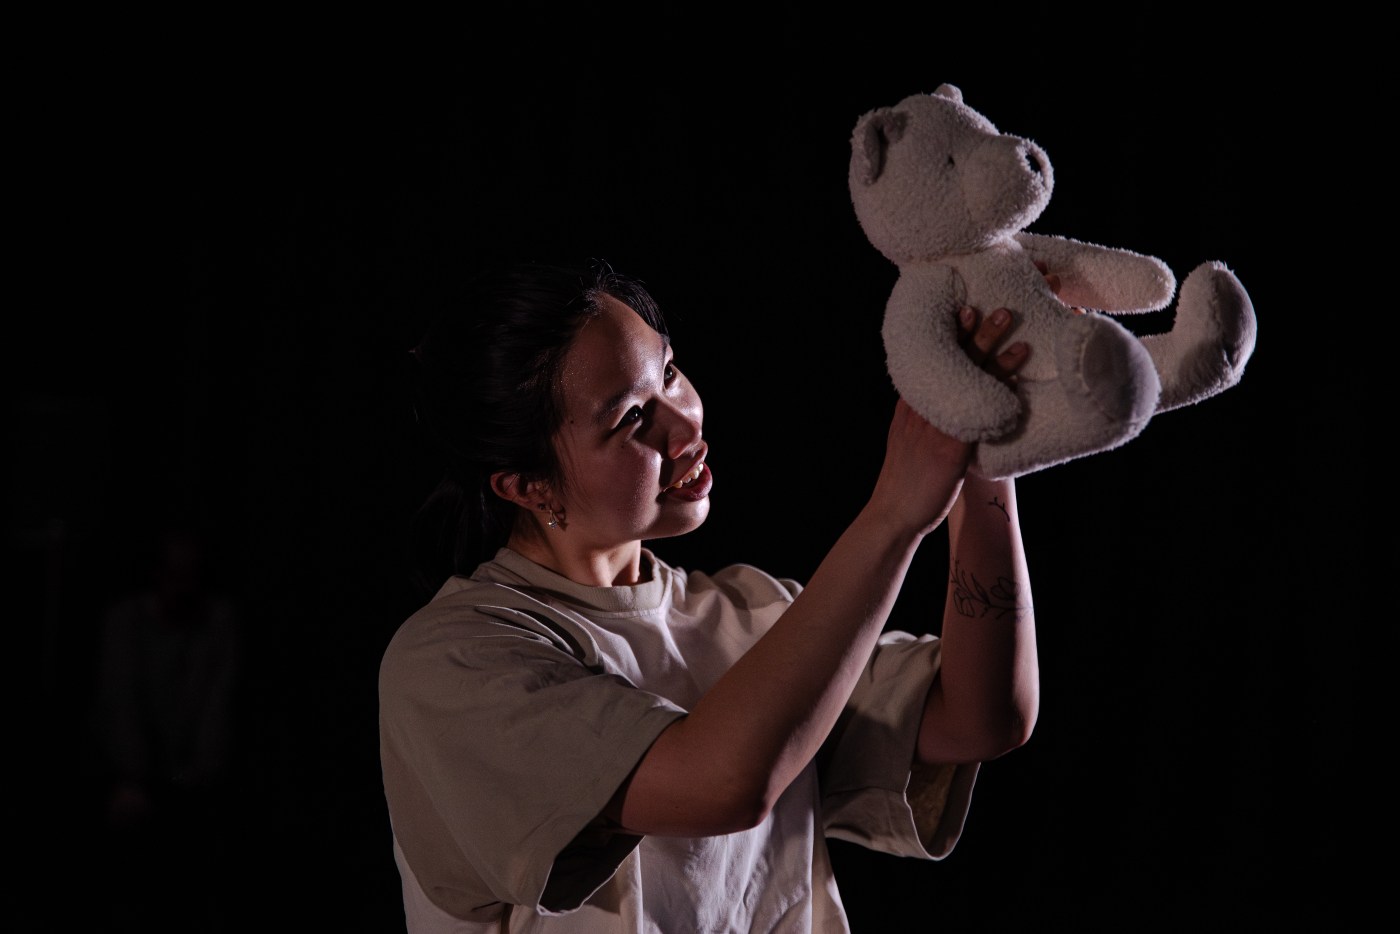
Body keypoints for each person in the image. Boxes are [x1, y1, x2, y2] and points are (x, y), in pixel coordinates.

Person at [379, 258, 1039, 933]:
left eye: (669, 373)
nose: (684, 426)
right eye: (632, 417)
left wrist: (983, 459)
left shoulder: (752, 613)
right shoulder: (454, 660)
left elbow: (980, 719)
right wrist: (894, 516)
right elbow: (723, 785)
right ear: (527, 486)